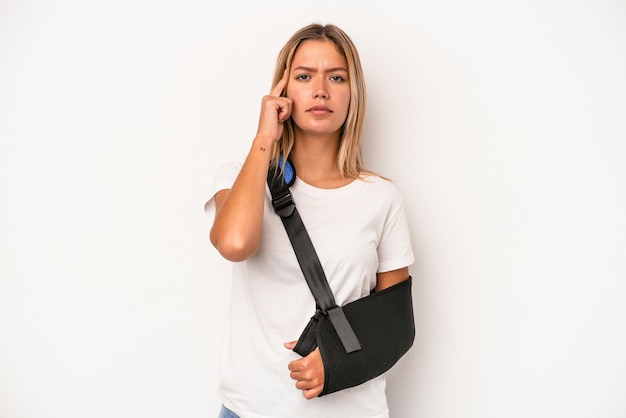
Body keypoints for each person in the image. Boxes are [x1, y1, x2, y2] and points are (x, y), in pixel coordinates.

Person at [205, 22, 415, 418]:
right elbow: (235, 244)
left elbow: (397, 324)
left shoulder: (381, 197)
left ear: (353, 94)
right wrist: (264, 138)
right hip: (252, 408)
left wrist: (337, 364)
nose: (320, 90)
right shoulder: (241, 177)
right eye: (304, 76)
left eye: (337, 77)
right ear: (282, 92)